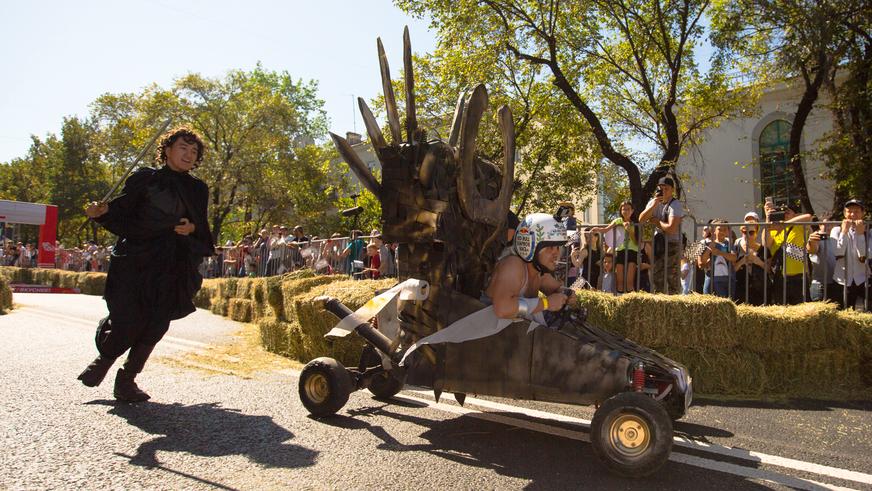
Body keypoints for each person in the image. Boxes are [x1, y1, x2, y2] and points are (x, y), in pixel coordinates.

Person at [77, 126, 214, 402]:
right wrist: (101, 213)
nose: (189, 154)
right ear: (166, 150)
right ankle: (104, 359)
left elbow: (202, 228)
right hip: (135, 261)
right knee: (128, 319)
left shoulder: (198, 188)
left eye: (194, 151)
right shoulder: (144, 179)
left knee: (156, 324)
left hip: (172, 265)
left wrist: (192, 229)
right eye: (182, 148)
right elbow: (121, 212)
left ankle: (127, 379)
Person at [483, 213, 575, 320]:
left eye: (558, 247)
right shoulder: (513, 265)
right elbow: (502, 309)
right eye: (550, 247)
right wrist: (546, 303)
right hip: (485, 332)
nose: (556, 254)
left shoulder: (538, 271)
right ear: (530, 245)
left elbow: (556, 288)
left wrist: (566, 294)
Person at [639, 176, 684, 294]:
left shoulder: (675, 204)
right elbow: (641, 220)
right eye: (661, 189)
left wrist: (656, 222)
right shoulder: (654, 202)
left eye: (666, 189)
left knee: (672, 278)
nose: (663, 191)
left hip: (672, 245)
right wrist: (653, 205)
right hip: (658, 244)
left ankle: (674, 307)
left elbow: (671, 229)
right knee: (657, 277)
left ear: (672, 190)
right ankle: (659, 305)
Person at [764, 201, 812, 305]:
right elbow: (766, 244)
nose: (784, 215)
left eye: (787, 212)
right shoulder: (775, 230)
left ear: (795, 214)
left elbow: (808, 217)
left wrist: (784, 225)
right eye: (782, 212)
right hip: (780, 277)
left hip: (798, 277)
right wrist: (768, 219)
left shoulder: (798, 227)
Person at [591, 201, 639, 293]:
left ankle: (631, 299)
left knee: (629, 281)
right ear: (621, 211)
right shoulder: (617, 221)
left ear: (632, 211)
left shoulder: (636, 223)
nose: (626, 211)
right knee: (620, 280)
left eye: (628, 209)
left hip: (632, 251)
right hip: (620, 251)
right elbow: (606, 230)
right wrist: (597, 229)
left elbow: (637, 242)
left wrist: (630, 231)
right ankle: (620, 298)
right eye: (623, 209)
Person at [831, 199, 869, 310]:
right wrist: (844, 232)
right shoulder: (836, 230)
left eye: (856, 211)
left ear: (863, 213)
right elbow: (838, 252)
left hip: (863, 278)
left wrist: (861, 235)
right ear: (844, 213)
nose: (852, 214)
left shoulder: (868, 231)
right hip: (842, 279)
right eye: (849, 211)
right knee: (844, 313)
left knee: (867, 312)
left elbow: (864, 256)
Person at [734, 212, 767, 305]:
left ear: (756, 233)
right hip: (741, 288)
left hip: (759, 289)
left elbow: (769, 269)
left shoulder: (763, 249)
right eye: (744, 232)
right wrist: (742, 261)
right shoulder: (736, 246)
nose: (747, 235)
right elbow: (732, 269)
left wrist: (758, 261)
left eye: (751, 232)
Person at [698, 219, 736, 298]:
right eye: (719, 229)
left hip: (727, 281)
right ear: (714, 231)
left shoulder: (729, 243)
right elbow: (701, 263)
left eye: (724, 229)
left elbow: (734, 257)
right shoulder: (704, 243)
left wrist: (719, 253)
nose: (722, 232)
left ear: (727, 232)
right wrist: (709, 249)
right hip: (711, 281)